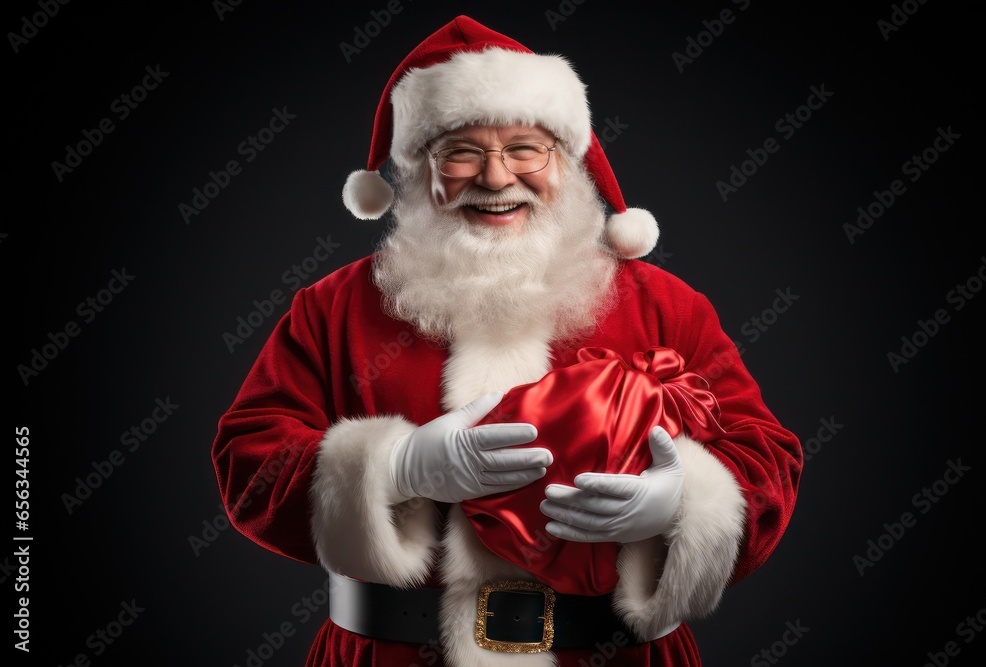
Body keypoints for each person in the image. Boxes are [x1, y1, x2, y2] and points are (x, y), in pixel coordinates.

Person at [211, 14, 803, 667]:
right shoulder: (332, 307)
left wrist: (683, 503)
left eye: (526, 148)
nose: (496, 179)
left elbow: (765, 457)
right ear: (417, 172)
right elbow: (247, 461)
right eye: (460, 151)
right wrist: (395, 468)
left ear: (568, 161)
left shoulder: (668, 305)